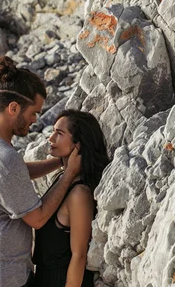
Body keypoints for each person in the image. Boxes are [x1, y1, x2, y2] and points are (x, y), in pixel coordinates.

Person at [0, 56, 82, 287]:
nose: (35, 120)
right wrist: (68, 175)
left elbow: (12, 176)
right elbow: (38, 218)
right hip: (1, 277)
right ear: (13, 108)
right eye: (33, 112)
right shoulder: (3, 159)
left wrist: (59, 163)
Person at [32, 109, 110, 287]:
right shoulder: (63, 179)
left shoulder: (79, 193)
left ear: (78, 144)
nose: (50, 138)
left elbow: (79, 255)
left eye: (59, 133)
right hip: (46, 277)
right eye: (52, 132)